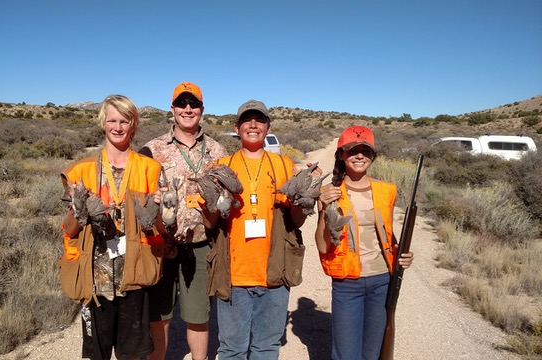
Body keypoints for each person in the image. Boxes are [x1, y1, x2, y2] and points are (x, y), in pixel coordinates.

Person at [205, 100, 314, 360]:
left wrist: (305, 197)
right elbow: (210, 223)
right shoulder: (220, 166)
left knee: (266, 347)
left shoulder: (284, 165)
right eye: (246, 120)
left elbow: (296, 222)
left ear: (268, 128)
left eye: (259, 120)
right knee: (231, 349)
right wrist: (213, 198)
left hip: (274, 272)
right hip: (234, 275)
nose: (253, 124)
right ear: (237, 127)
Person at [60, 94, 163, 360]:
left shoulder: (150, 169)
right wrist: (77, 208)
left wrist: (161, 209)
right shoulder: (80, 171)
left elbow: (158, 227)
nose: (118, 127)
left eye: (124, 121)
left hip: (134, 276)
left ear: (134, 125)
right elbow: (69, 230)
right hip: (95, 279)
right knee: (98, 354)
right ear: (103, 123)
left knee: (131, 353)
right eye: (112, 120)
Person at [139, 82, 227, 360]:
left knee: (198, 316)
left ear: (202, 109)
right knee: (159, 317)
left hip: (201, 244)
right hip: (160, 246)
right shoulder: (151, 150)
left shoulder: (218, 151)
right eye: (181, 103)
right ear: (172, 108)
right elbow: (138, 197)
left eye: (193, 104)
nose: (187, 109)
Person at [314, 125, 414, 360]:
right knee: (346, 354)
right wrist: (324, 212)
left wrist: (403, 255)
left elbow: (388, 236)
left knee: (372, 352)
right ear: (341, 155)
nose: (359, 156)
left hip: (382, 281)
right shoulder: (329, 192)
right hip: (348, 283)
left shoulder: (387, 191)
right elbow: (321, 245)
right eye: (352, 150)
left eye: (365, 151)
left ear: (372, 156)